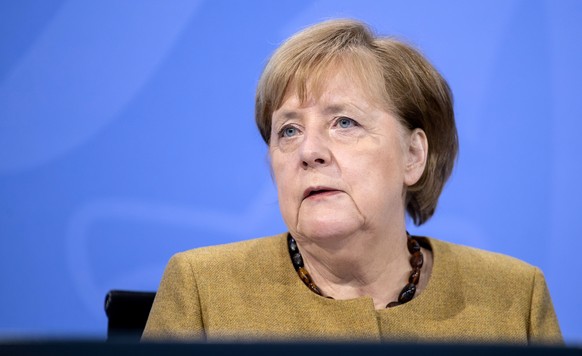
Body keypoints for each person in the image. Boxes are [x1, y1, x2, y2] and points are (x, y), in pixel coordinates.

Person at [142, 19, 561, 344]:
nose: (310, 151)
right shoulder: (204, 290)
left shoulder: (513, 297)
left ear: (413, 156)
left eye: (344, 122)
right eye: (288, 130)